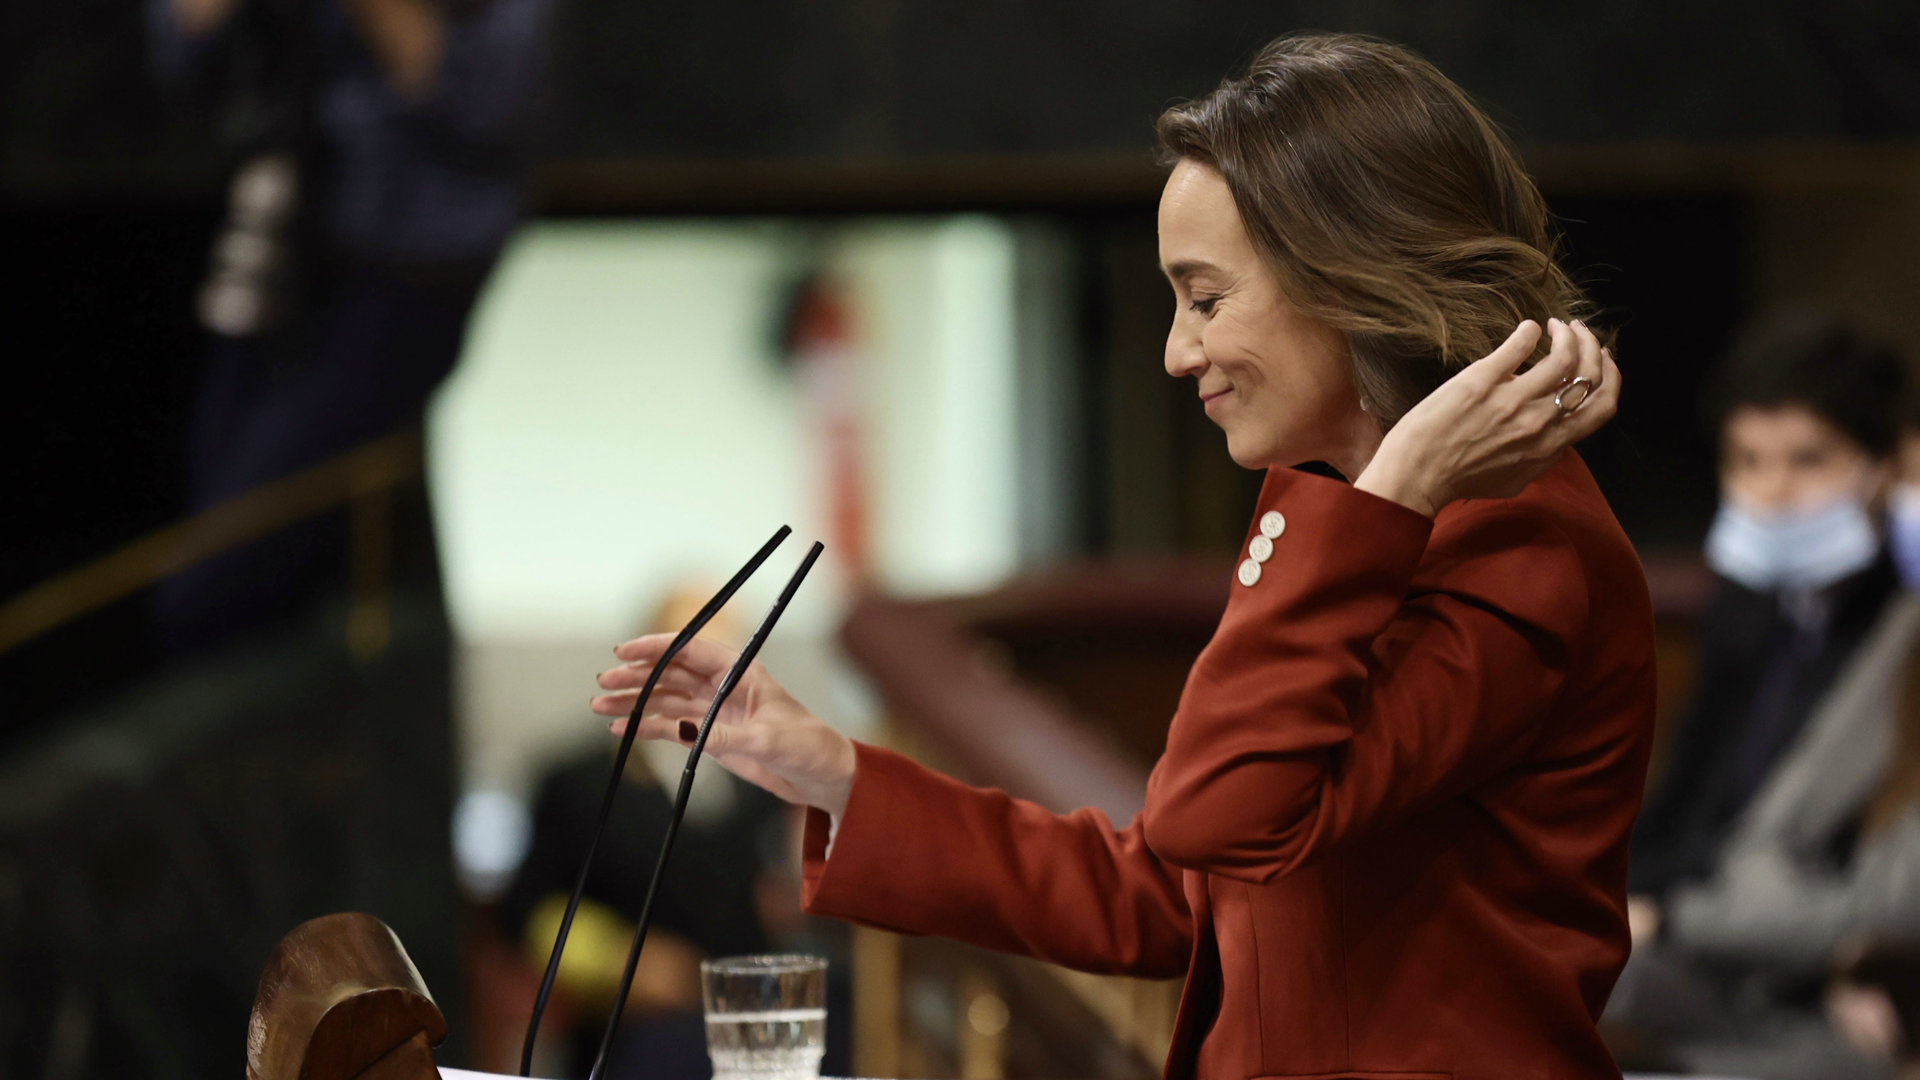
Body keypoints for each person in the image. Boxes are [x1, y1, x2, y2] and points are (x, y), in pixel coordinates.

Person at [593, 34, 1643, 1080]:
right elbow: (1171, 890)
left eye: (1207, 298)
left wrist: (1392, 493)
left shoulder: (1512, 539)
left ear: (1351, 277)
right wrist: (830, 776)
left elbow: (1215, 810)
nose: (1179, 351)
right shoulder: (1348, 512)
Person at [145, 0, 552, 648]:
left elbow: (490, 99)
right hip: (274, 257)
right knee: (269, 558)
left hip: (409, 272)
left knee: (221, 582)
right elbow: (182, 61)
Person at [1607, 321, 1920, 1078]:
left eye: (1808, 461)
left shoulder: (1899, 625)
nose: (1772, 493)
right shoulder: (1748, 608)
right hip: (1723, 942)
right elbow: (1692, 805)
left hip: (1825, 973)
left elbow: (1881, 894)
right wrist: (1639, 909)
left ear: (1887, 467)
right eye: (1747, 462)